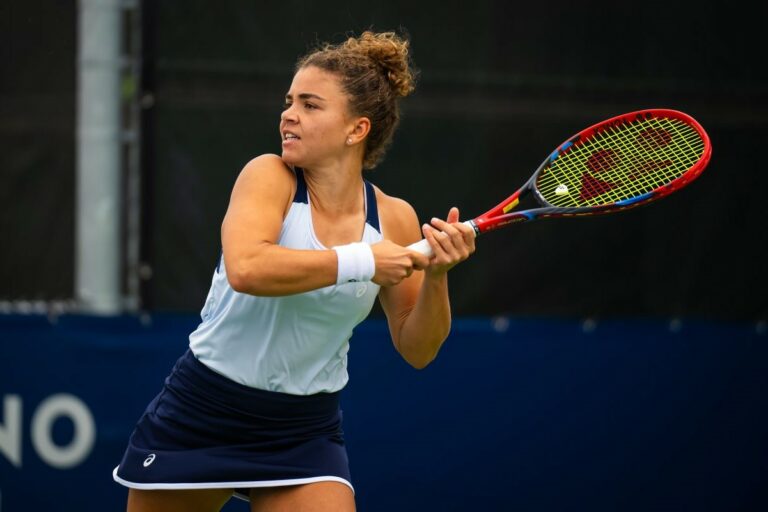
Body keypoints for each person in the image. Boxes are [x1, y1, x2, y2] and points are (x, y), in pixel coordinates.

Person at [113, 30, 476, 511]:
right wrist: (364, 260)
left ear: (356, 129)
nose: (288, 114)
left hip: (303, 429)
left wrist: (437, 276)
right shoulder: (267, 176)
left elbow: (418, 348)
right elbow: (248, 268)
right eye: (289, 101)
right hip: (205, 409)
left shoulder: (393, 219)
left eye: (310, 105)